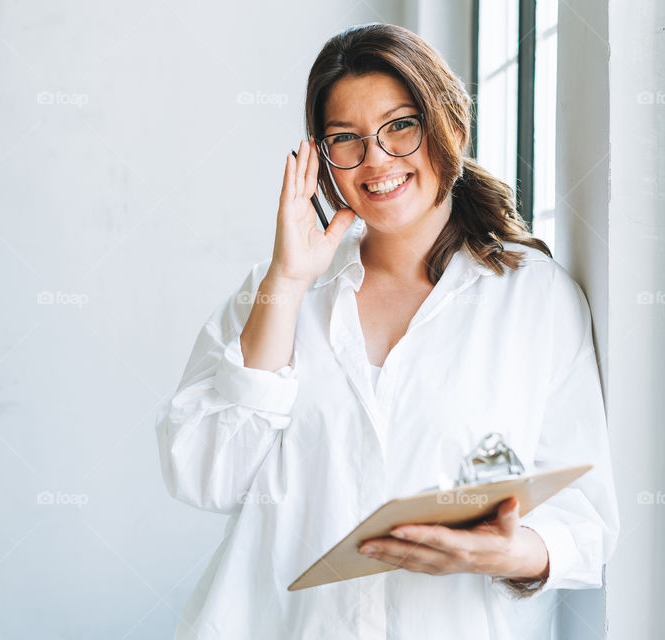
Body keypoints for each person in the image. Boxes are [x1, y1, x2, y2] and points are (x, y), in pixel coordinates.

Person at [155, 22, 619, 640]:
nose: (376, 159)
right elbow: (205, 476)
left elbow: (586, 521)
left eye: (400, 125)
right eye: (345, 139)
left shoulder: (535, 299)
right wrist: (288, 282)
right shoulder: (278, 292)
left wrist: (506, 554)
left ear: (447, 124)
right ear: (322, 159)